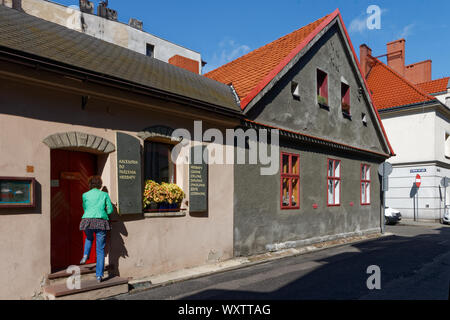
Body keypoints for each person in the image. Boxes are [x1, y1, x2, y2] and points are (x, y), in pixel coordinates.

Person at [79, 176, 114, 282]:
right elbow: (110, 210)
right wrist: (105, 212)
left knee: (89, 239)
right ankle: (99, 276)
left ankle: (85, 255)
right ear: (100, 184)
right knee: (100, 250)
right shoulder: (104, 194)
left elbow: (85, 207)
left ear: (90, 184)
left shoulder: (85, 195)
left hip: (87, 220)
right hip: (100, 221)